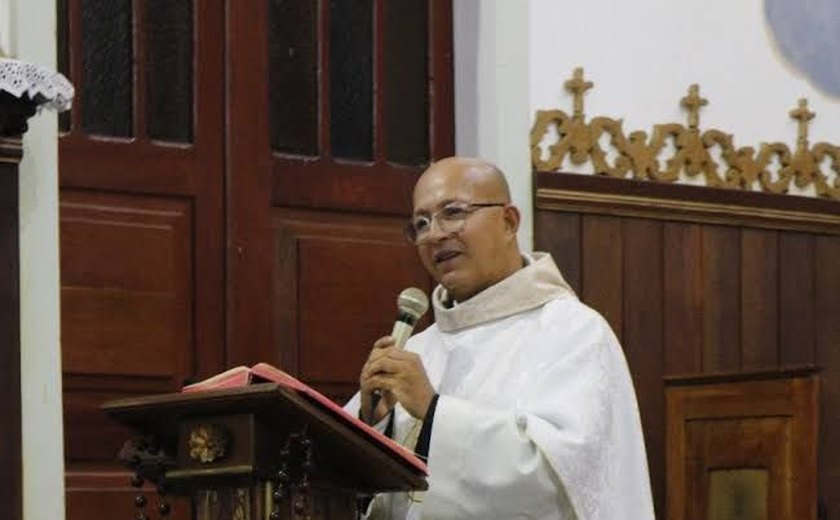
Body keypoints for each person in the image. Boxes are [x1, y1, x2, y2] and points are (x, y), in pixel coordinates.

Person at [345, 157, 655, 519]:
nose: (435, 234)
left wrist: (433, 411)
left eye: (453, 212)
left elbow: (558, 482)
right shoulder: (417, 348)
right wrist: (374, 423)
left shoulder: (574, 333)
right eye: (421, 223)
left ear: (509, 221)